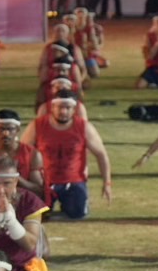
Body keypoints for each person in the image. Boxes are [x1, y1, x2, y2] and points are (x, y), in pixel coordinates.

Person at [21, 92, 112, 220]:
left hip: (74, 181)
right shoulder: (37, 125)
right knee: (35, 215)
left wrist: (107, 183)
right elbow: (21, 153)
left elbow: (101, 155)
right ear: (52, 107)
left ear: (74, 110)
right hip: (44, 182)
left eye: (67, 108)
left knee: (78, 215)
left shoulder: (84, 127)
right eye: (59, 107)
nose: (63, 111)